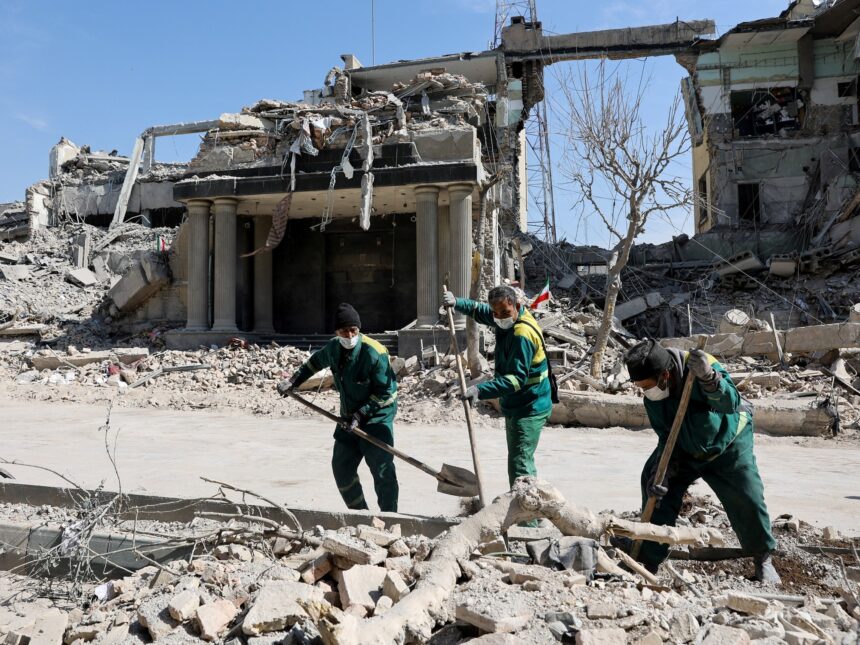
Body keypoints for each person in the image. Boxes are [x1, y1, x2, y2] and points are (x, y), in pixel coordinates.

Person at [623, 339, 780, 583]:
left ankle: (762, 557)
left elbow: (730, 402)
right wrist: (665, 469)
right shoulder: (653, 395)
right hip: (684, 446)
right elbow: (665, 434)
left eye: (647, 386)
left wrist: (709, 379)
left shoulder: (700, 366)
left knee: (747, 495)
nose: (645, 391)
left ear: (665, 375)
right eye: (640, 387)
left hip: (728, 442)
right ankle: (649, 558)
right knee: (654, 484)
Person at [278, 303, 399, 512]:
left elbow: (386, 392)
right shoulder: (333, 348)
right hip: (348, 415)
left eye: (354, 330)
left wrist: (361, 414)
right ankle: (360, 514)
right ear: (336, 332)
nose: (349, 335)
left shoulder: (375, 352)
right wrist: (293, 381)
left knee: (382, 470)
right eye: (344, 331)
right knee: (342, 467)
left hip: (377, 417)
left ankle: (390, 519)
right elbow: (314, 363)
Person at [442, 285, 553, 499]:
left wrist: (480, 390)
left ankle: (527, 512)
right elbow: (480, 310)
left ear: (516, 305)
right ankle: (525, 507)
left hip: (530, 405)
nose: (499, 317)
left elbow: (516, 380)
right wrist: (457, 302)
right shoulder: (505, 318)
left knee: (520, 464)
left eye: (504, 312)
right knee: (517, 458)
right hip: (517, 403)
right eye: (496, 313)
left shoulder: (521, 334)